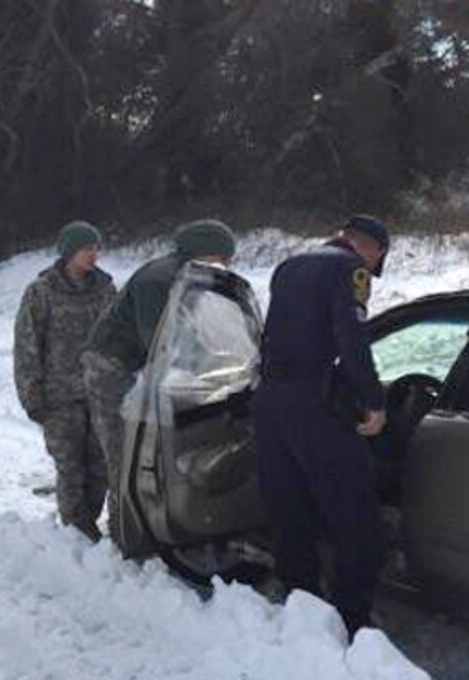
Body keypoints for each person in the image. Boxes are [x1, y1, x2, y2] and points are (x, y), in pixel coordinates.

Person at [253, 214, 390, 639]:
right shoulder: (351, 270)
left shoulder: (290, 265)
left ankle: (302, 602)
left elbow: (274, 334)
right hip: (316, 404)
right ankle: (351, 618)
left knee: (289, 507)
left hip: (271, 402)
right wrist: (373, 402)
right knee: (356, 515)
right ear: (371, 249)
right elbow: (351, 338)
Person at [82, 219, 237, 546]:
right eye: (223, 259)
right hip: (112, 368)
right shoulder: (159, 280)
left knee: (152, 449)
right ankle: (125, 539)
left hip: (141, 366)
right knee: (124, 451)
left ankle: (152, 527)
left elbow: (193, 332)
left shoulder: (194, 278)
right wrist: (203, 369)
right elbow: (162, 343)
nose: (227, 267)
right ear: (203, 253)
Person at [14, 220, 116, 541]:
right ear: (70, 252)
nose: (94, 254)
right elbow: (27, 347)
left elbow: (118, 337)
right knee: (70, 468)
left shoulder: (105, 289)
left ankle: (89, 525)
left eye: (97, 248)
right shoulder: (41, 293)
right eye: (88, 248)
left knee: (100, 467)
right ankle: (77, 533)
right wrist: (32, 396)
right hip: (59, 399)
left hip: (99, 395)